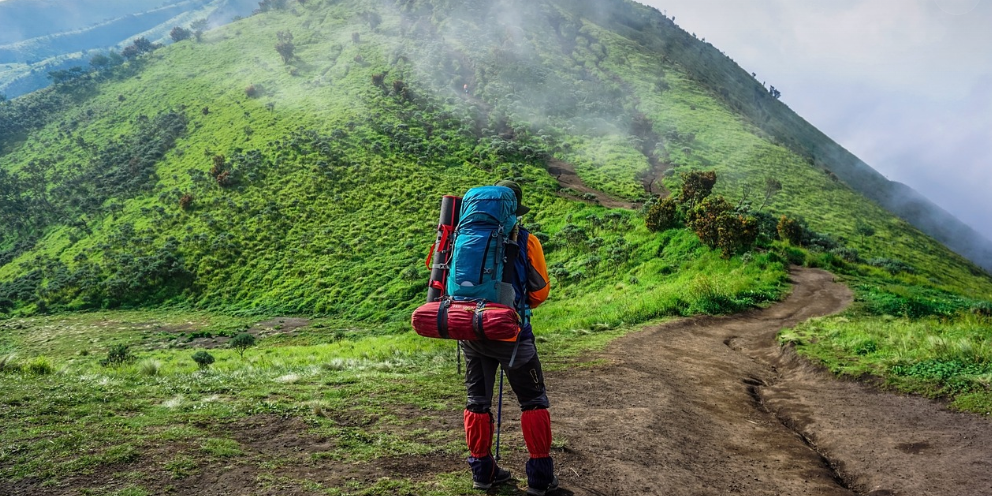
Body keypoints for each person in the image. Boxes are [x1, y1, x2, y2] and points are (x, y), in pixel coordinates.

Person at [460, 180, 558, 495]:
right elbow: (540, 292)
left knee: (477, 402)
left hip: (470, 328)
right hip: (511, 334)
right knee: (533, 402)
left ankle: (482, 473)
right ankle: (540, 479)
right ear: (514, 209)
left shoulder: (462, 235)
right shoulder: (527, 240)